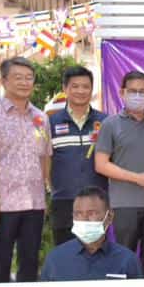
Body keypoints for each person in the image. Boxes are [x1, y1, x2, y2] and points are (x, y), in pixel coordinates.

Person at [94, 71, 144, 278]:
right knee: (123, 260)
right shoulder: (110, 124)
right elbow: (101, 165)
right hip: (123, 205)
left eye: (142, 91)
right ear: (122, 93)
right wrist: (137, 178)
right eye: (132, 91)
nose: (137, 95)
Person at [0, 57, 52, 282]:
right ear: (4, 81)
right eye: (18, 77)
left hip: (34, 201)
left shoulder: (41, 118)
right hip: (1, 202)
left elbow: (45, 156)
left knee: (30, 262)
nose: (24, 82)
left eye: (28, 78)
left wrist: (45, 188)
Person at [48, 65, 108, 246]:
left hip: (97, 202)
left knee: (98, 255)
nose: (81, 91)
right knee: (66, 255)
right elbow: (45, 160)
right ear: (65, 89)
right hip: (63, 201)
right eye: (75, 86)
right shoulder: (51, 122)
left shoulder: (105, 122)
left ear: (92, 89)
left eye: (86, 86)